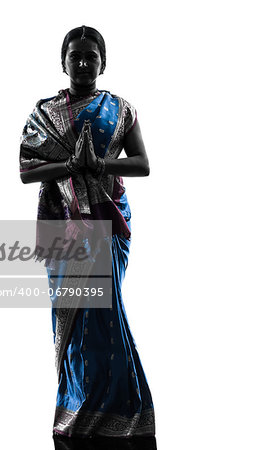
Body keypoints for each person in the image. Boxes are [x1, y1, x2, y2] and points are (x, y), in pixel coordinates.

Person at [19, 26, 156, 442]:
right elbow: (26, 171)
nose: (82, 62)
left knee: (105, 318)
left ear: (103, 62)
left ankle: (123, 419)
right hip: (64, 227)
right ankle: (77, 415)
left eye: (90, 56)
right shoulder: (44, 114)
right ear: (63, 62)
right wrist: (71, 167)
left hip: (107, 221)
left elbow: (143, 164)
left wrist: (99, 165)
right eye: (75, 56)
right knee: (76, 325)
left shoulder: (121, 109)